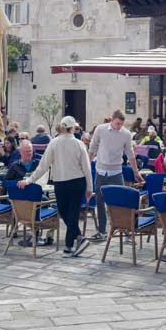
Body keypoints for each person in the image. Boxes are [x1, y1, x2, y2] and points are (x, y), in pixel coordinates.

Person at [19, 116, 93, 257]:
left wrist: (29, 180)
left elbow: (43, 166)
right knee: (70, 213)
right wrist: (90, 187)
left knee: (66, 213)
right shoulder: (79, 144)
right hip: (77, 182)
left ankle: (70, 245)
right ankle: (79, 238)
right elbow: (87, 168)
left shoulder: (54, 143)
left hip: (61, 183)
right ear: (72, 128)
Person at [89, 110, 142, 242]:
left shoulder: (126, 134)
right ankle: (102, 231)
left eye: (121, 124)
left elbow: (130, 154)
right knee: (100, 202)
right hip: (100, 171)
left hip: (116, 172)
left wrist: (136, 171)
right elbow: (92, 148)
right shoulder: (100, 129)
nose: (119, 126)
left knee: (121, 202)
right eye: (117, 123)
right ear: (112, 120)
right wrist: (86, 167)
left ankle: (126, 232)